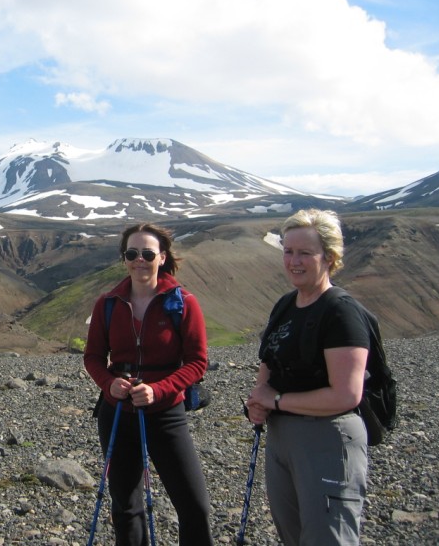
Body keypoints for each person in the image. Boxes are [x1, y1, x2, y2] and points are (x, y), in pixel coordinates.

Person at [84, 222, 214, 545]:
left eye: (147, 253)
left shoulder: (183, 302)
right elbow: (93, 357)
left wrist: (159, 390)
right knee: (126, 507)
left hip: (166, 413)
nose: (139, 260)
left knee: (194, 505)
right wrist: (108, 384)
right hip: (117, 412)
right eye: (132, 254)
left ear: (162, 257)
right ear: (124, 258)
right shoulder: (107, 304)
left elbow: (197, 362)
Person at [246, 209, 370, 546]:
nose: (294, 261)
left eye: (305, 253)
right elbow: (269, 361)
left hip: (328, 438)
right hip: (282, 436)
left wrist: (276, 400)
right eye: (288, 251)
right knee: (294, 535)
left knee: (326, 538)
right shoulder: (286, 304)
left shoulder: (341, 312)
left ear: (329, 257)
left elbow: (346, 395)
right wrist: (259, 400)